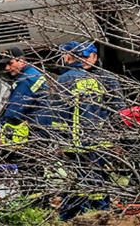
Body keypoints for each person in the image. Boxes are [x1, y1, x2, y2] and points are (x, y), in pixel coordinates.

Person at [53, 41, 113, 221]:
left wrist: (60, 142)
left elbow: (60, 116)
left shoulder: (65, 80)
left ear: (69, 56)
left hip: (76, 145)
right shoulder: (95, 79)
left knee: (77, 184)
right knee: (95, 183)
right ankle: (100, 215)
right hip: (97, 143)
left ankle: (75, 219)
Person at [0, 46, 53, 144]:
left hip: (35, 131)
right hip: (42, 126)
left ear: (21, 60)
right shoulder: (32, 73)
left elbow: (15, 109)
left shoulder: (26, 80)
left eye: (10, 63)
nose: (7, 68)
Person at [80, 44, 126, 112]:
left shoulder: (107, 79)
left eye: (86, 57)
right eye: (80, 57)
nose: (83, 60)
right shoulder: (72, 77)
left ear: (95, 57)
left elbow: (118, 106)